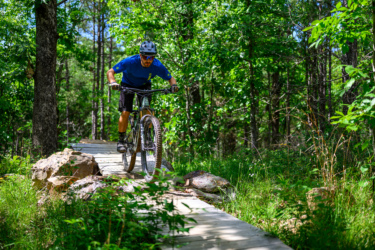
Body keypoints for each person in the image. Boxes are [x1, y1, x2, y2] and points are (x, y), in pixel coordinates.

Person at [106, 41, 179, 152]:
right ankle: (121, 140)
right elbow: (110, 72)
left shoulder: (157, 65)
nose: (148, 60)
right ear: (140, 55)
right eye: (145, 57)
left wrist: (173, 86)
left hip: (144, 85)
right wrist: (113, 82)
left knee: (146, 109)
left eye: (151, 57)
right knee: (126, 111)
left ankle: (148, 138)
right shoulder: (130, 61)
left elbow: (170, 77)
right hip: (127, 85)